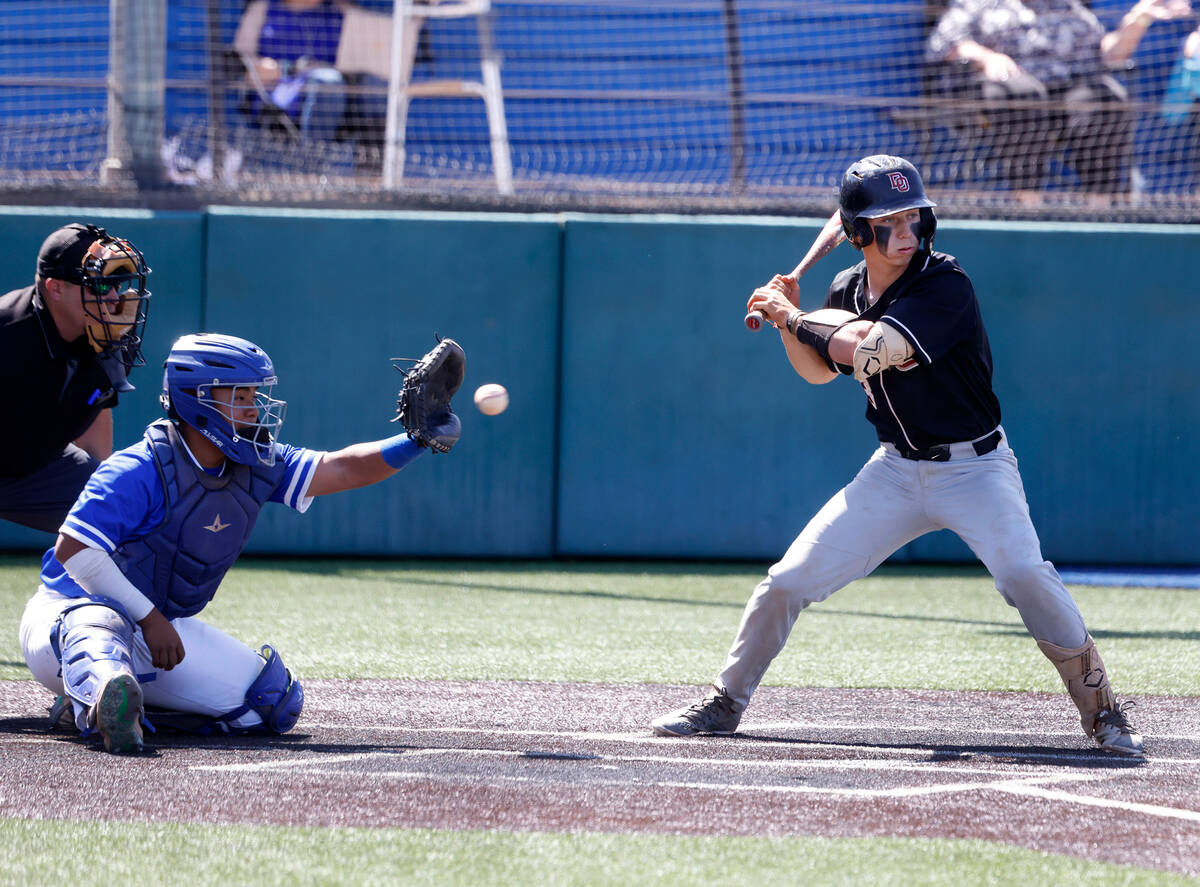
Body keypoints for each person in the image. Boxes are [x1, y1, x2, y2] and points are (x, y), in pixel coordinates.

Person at [651, 155, 1143, 756]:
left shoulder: (945, 283)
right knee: (787, 581)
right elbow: (817, 371)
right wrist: (790, 326)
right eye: (890, 221)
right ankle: (726, 700)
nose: (907, 232)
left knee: (1022, 574)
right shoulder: (845, 290)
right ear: (858, 233)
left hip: (977, 468)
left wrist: (795, 316)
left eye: (914, 217)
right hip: (896, 470)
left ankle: (1103, 711)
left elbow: (872, 352)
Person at [18, 332, 463, 754]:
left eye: (255, 396)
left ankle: (119, 708)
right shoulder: (139, 468)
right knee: (97, 627)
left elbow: (343, 469)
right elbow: (73, 552)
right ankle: (96, 696)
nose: (254, 409)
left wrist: (415, 440)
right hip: (66, 618)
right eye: (241, 396)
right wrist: (150, 619)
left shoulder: (258, 460)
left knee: (270, 703)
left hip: (156, 629)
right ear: (200, 400)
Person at [925, 0, 1193, 194]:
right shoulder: (979, 4)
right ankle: (1028, 205)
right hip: (1007, 87)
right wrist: (986, 57)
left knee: (1104, 98)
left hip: (1067, 91)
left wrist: (1139, 17)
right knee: (1024, 95)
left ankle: (1098, 210)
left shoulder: (1069, 7)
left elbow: (1109, 54)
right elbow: (943, 42)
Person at [0, 223, 151, 533]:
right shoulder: (7, 333)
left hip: (35, 470)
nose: (113, 297)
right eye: (98, 285)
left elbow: (95, 415)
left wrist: (101, 495)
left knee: (121, 507)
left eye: (115, 283)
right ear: (56, 288)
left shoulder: (109, 334)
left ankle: (77, 582)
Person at [233, 0, 349, 142]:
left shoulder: (339, 10)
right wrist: (289, 69)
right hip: (272, 96)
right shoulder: (262, 8)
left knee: (328, 83)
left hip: (322, 97)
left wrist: (301, 70)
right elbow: (247, 67)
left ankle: (317, 155)